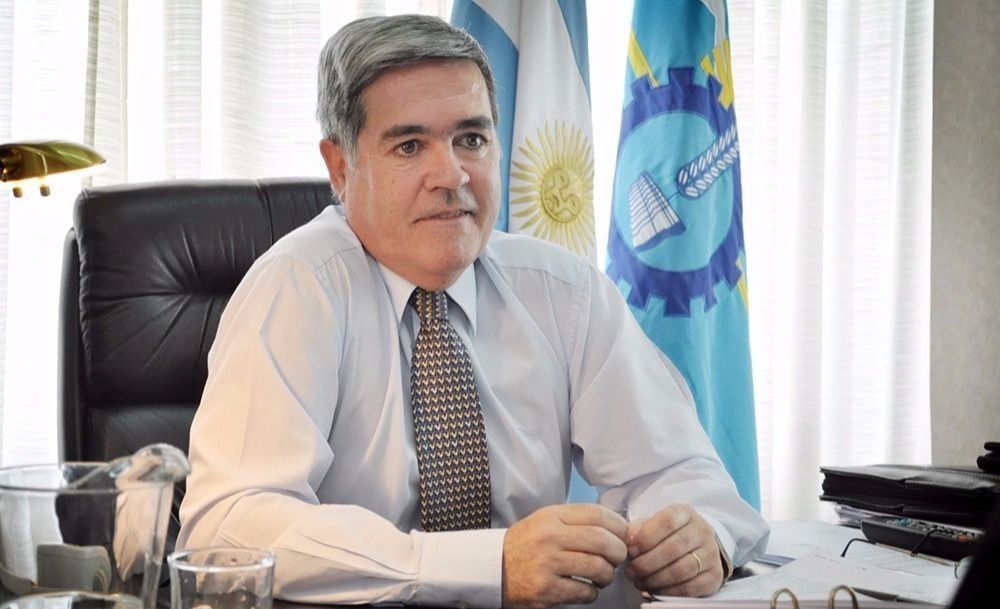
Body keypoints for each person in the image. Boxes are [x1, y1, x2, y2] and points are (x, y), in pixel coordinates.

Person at [178, 13, 768, 609]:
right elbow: (228, 526)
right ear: (340, 167)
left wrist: (699, 537)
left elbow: (685, 476)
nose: (452, 174)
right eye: (410, 146)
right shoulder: (298, 287)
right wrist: (486, 564)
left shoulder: (564, 291)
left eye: (471, 140)